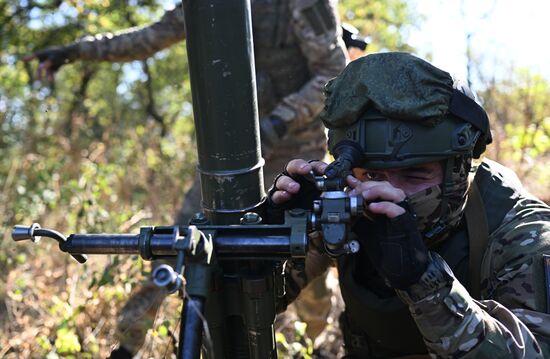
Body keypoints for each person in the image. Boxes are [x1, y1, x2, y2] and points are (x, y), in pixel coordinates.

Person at [24, 1, 348, 356]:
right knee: (178, 244)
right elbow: (148, 38)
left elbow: (332, 73)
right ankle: (127, 346)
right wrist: (72, 52)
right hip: (229, 160)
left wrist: (277, 123)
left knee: (305, 253)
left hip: (294, 157)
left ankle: (316, 343)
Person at [268, 51, 550, 358]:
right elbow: (236, 306)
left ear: (457, 170)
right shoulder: (348, 201)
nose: (389, 192)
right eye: (372, 174)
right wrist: (273, 239)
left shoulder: (523, 233)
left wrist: (424, 281)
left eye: (415, 174)